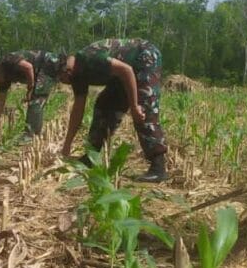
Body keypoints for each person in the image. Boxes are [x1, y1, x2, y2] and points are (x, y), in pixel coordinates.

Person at [59, 39, 168, 182]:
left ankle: (158, 167)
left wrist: (134, 106)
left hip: (143, 58)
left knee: (143, 110)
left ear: (67, 70)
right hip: (120, 74)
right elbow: (78, 110)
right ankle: (92, 157)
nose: (63, 82)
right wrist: (67, 145)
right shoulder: (76, 75)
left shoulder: (89, 59)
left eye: (61, 79)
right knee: (105, 105)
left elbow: (127, 70)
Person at [0, 50, 63, 138]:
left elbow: (28, 67)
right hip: (38, 71)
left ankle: (31, 135)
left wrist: (30, 88)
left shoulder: (8, 60)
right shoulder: (4, 79)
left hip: (46, 64)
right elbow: (1, 102)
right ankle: (32, 133)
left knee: (36, 99)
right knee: (35, 98)